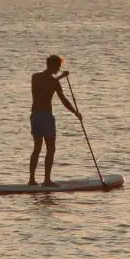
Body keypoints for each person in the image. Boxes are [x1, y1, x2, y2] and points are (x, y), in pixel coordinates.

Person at [30, 55, 82, 186]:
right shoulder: (48, 81)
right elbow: (54, 94)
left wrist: (75, 112)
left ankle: (33, 179)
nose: (58, 69)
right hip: (45, 117)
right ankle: (44, 180)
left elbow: (59, 96)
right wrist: (75, 112)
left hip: (35, 116)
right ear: (51, 65)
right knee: (49, 149)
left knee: (38, 148)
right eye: (57, 66)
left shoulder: (37, 78)